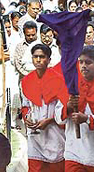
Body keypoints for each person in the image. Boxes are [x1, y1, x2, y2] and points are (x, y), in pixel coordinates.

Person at [21, 44, 66, 172]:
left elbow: (62, 109)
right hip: (35, 134)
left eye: (42, 57)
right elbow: (25, 105)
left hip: (54, 132)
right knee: (35, 166)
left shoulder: (59, 80)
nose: (39, 60)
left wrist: (50, 120)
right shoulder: (26, 80)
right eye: (36, 57)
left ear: (49, 60)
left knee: (55, 166)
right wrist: (26, 118)